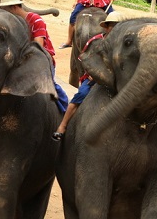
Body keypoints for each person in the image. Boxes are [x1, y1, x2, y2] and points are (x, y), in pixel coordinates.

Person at [52, 11, 123, 141]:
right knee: (80, 95)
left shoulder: (125, 45)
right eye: (112, 26)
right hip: (94, 79)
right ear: (106, 27)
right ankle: (63, 125)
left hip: (117, 79)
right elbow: (85, 60)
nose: (115, 30)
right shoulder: (96, 41)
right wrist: (93, 73)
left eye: (119, 26)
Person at [0, 0, 69, 113]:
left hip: (41, 57)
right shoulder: (14, 23)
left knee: (49, 84)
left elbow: (38, 46)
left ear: (14, 7)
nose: (6, 14)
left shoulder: (36, 20)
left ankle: (64, 108)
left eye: (6, 10)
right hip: (23, 58)